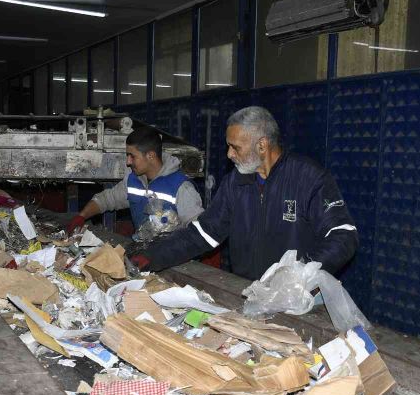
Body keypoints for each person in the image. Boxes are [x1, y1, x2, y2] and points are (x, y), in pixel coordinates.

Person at [131, 106, 358, 280]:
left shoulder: (308, 177)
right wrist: (151, 256)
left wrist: (301, 275)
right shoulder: (234, 184)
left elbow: (344, 234)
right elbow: (202, 233)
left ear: (262, 146)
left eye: (235, 147)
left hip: (298, 299)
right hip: (249, 292)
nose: (229, 154)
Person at [66, 127, 203, 237]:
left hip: (173, 260)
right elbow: (107, 199)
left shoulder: (181, 187)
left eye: (132, 156)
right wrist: (81, 216)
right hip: (143, 250)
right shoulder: (133, 180)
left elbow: (198, 232)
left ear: (150, 156)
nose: (128, 162)